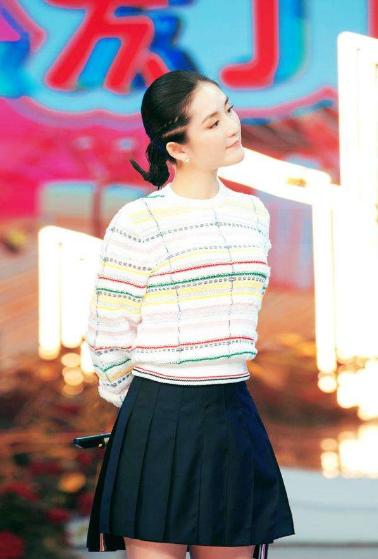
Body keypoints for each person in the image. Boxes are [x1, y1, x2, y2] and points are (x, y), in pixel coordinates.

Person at [85, 70, 295, 559]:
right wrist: (144, 407)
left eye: (229, 110)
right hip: (159, 411)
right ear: (177, 148)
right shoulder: (139, 220)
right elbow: (109, 331)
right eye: (212, 122)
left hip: (232, 409)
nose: (232, 126)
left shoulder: (252, 214)